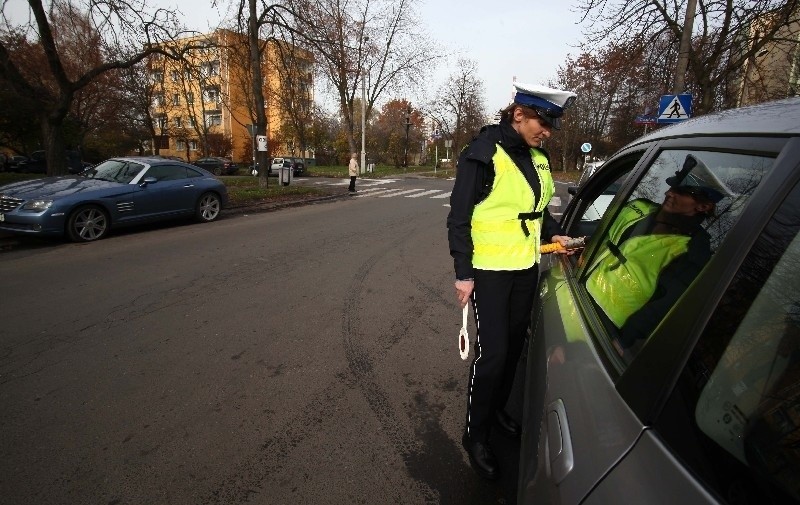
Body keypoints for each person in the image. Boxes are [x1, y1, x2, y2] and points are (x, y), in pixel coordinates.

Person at [447, 82, 577, 480]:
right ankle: (475, 435)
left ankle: (498, 410)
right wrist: (463, 273)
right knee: (494, 356)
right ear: (518, 114)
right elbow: (459, 217)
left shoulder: (538, 155)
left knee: (513, 349)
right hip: (487, 272)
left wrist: (552, 232)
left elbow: (538, 210)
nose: (548, 131)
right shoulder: (483, 152)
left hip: (524, 268)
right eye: (543, 121)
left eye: (551, 125)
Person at [586, 156, 726, 353]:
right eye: (672, 187)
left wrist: (624, 339)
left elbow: (667, 304)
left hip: (609, 329)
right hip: (582, 292)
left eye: (681, 192)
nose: (669, 193)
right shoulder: (640, 208)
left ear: (703, 206)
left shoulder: (693, 249)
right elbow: (603, 236)